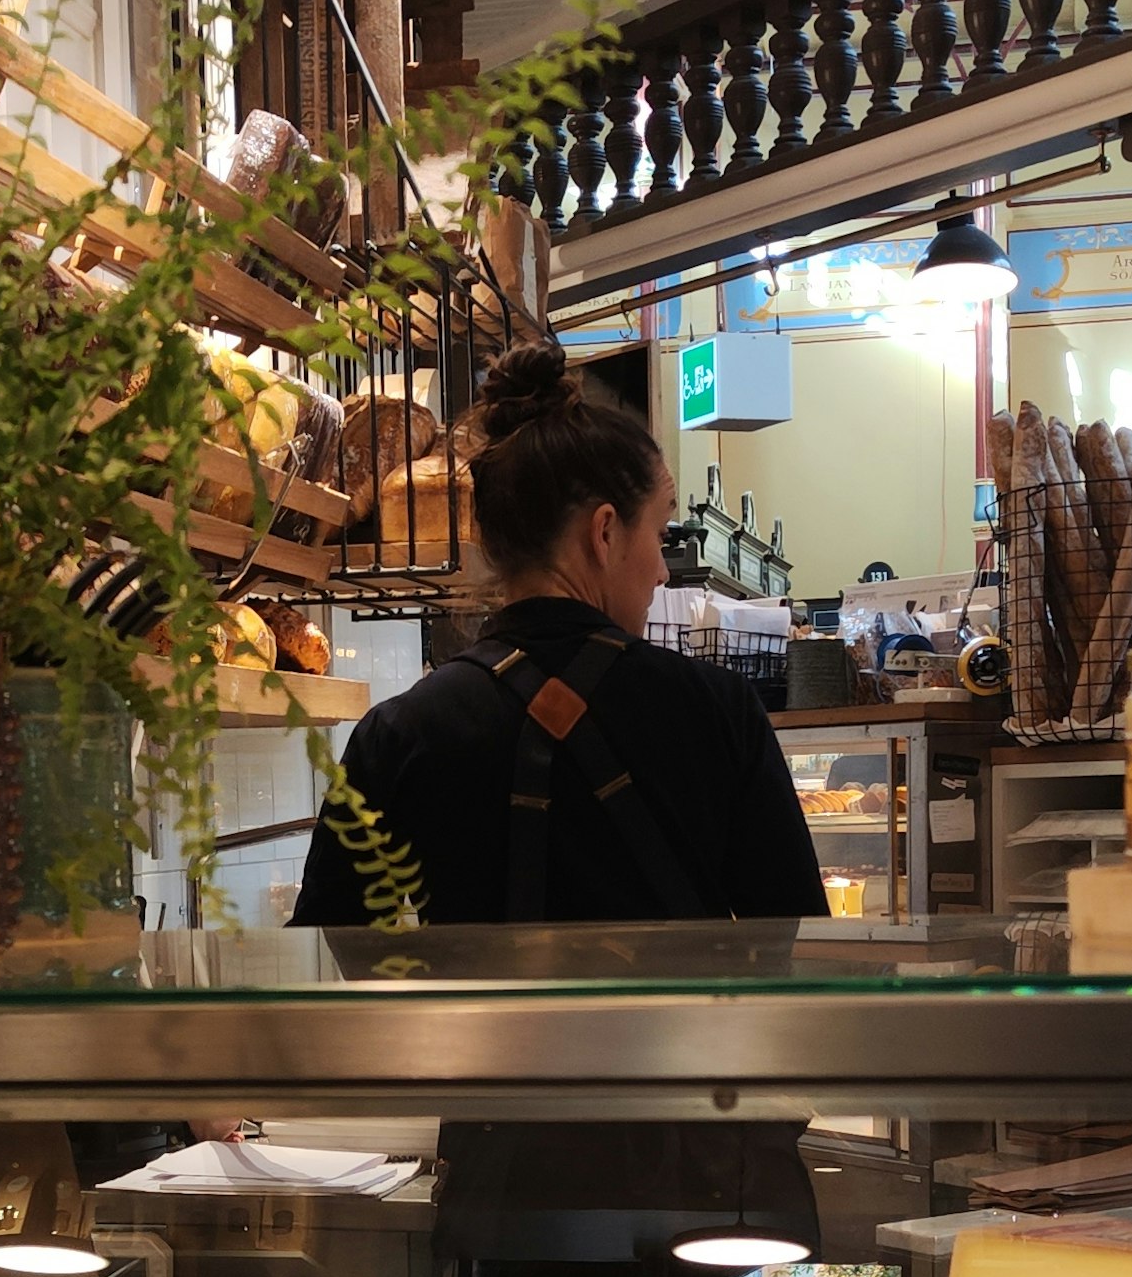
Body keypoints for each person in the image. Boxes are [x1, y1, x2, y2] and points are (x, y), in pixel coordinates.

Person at [291, 341, 823, 927]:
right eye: (660, 529)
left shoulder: (398, 734)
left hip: (477, 1024)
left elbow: (328, 954)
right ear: (605, 533)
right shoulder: (717, 713)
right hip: (678, 1025)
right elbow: (796, 944)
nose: (663, 569)